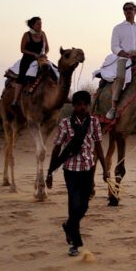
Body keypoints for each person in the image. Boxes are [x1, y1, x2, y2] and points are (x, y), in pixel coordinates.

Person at [47, 91, 105, 257]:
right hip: (70, 170)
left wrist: (105, 170)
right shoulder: (65, 124)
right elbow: (57, 148)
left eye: (84, 105)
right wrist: (50, 172)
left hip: (88, 169)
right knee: (74, 205)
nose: (81, 108)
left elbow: (99, 146)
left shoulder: (94, 122)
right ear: (73, 106)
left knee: (84, 205)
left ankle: (68, 226)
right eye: (78, 104)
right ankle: (75, 243)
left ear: (88, 105)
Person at [104, 1, 136, 120]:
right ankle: (113, 107)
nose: (128, 10)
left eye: (130, 8)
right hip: (124, 58)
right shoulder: (118, 28)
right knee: (120, 77)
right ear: (124, 12)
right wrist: (125, 54)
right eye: (126, 9)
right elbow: (114, 46)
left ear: (135, 11)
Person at [12, 16, 49, 107]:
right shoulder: (27, 35)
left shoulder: (43, 34)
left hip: (40, 59)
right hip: (28, 59)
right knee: (21, 76)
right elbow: (22, 49)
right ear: (33, 25)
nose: (40, 26)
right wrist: (33, 54)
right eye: (38, 24)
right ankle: (15, 100)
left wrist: (44, 54)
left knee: (53, 71)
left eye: (41, 24)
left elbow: (47, 48)